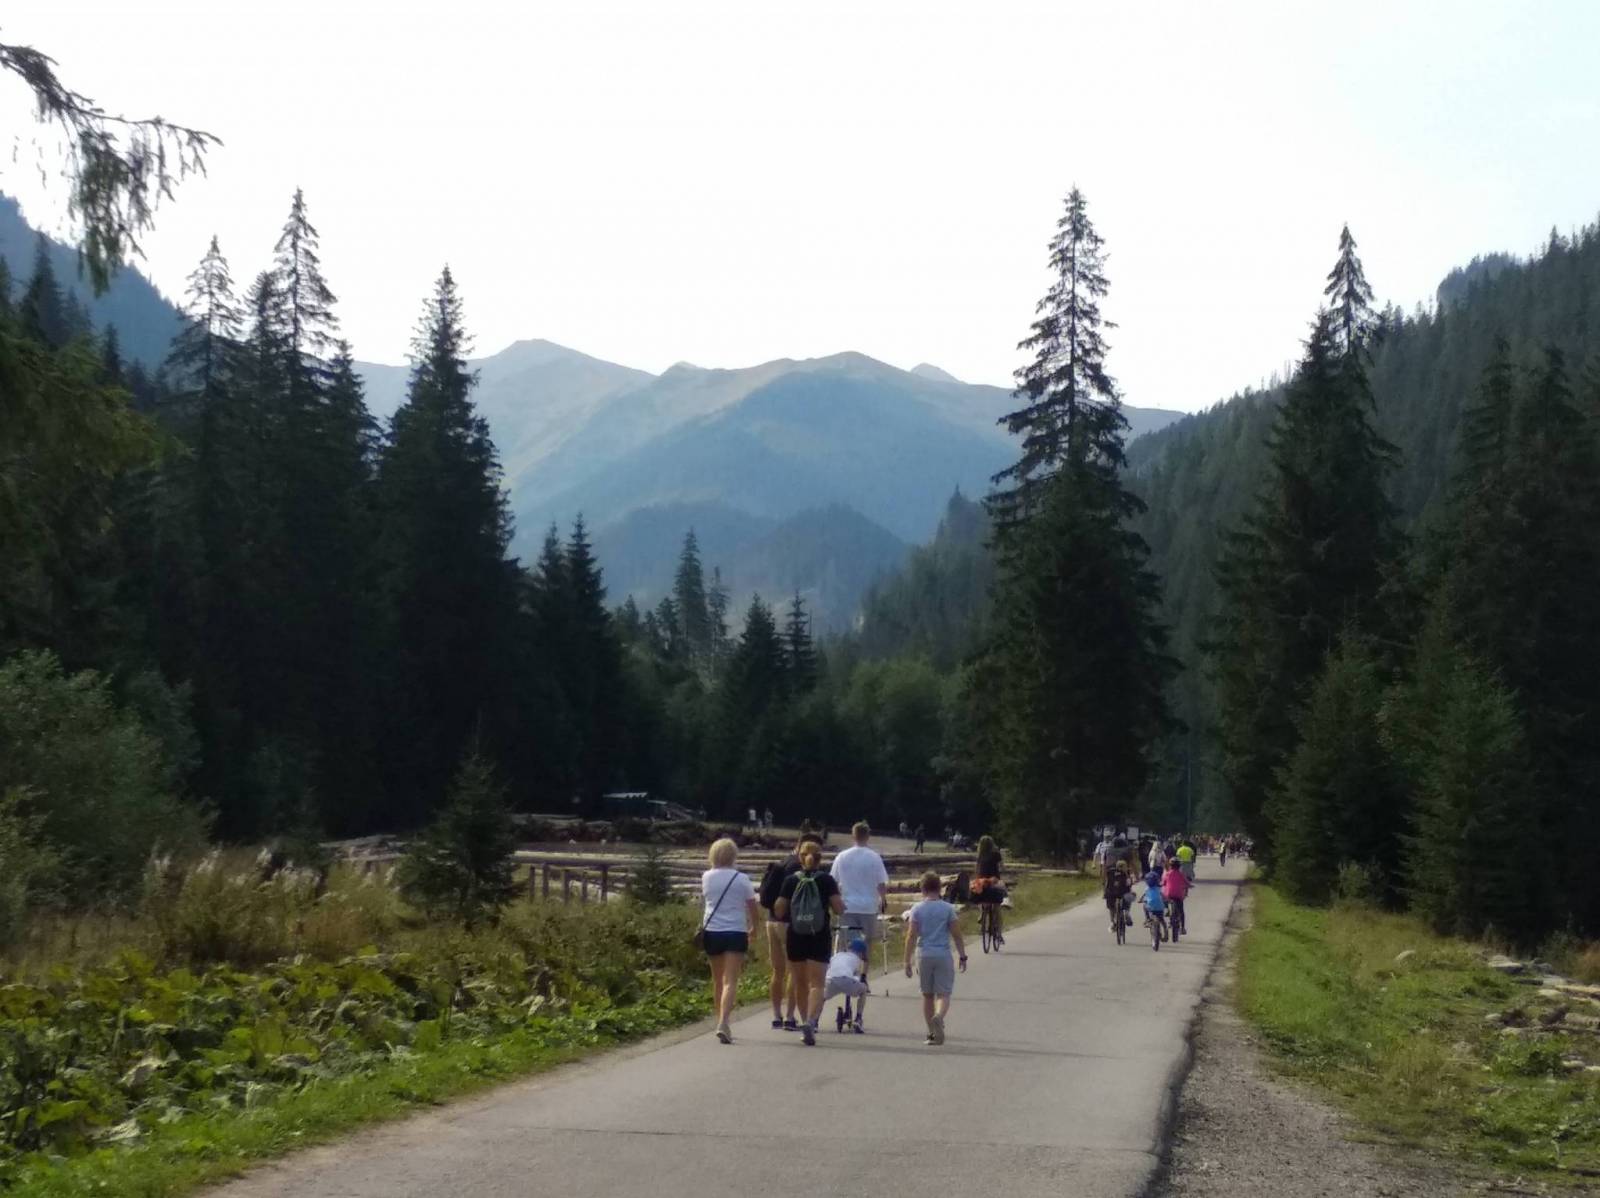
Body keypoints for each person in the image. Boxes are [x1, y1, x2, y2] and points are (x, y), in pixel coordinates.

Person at [774, 841, 844, 1046]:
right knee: (817, 983)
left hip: (796, 935)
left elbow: (779, 909)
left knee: (800, 982)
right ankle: (812, 1022)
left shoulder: (790, 880)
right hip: (819, 935)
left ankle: (804, 1020)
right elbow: (838, 908)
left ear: (800, 858)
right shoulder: (827, 880)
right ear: (820, 859)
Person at [700, 838, 760, 1044]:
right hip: (735, 930)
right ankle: (724, 1022)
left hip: (712, 931)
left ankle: (720, 1019)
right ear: (733, 855)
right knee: (730, 980)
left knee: (717, 980)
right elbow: (752, 906)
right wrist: (754, 927)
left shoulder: (706, 877)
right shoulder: (741, 878)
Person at [829, 822, 888, 1024]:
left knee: (847, 945)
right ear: (867, 836)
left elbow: (833, 881)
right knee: (866, 943)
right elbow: (881, 883)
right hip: (868, 907)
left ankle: (847, 974)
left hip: (848, 906)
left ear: (853, 836)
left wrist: (835, 901)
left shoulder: (842, 857)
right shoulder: (874, 857)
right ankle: (863, 976)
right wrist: (883, 899)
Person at [903, 870, 967, 1045]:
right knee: (943, 993)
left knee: (927, 995)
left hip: (923, 954)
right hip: (943, 954)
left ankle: (932, 1032)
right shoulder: (948, 909)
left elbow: (911, 935)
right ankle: (939, 1016)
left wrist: (907, 960)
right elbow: (957, 934)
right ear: (940, 888)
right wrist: (962, 956)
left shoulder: (917, 909)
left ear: (922, 889)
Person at [757, 835, 809, 1030]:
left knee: (777, 971)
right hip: (789, 923)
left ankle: (776, 1015)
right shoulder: (797, 868)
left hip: (771, 921)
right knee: (794, 971)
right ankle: (790, 1016)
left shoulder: (781, 862)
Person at [826, 937, 872, 1034]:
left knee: (820, 998)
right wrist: (862, 981)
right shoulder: (857, 959)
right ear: (861, 953)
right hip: (846, 980)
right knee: (863, 990)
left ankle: (815, 1021)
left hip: (831, 980)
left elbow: (828, 967)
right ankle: (858, 1018)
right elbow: (856, 977)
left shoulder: (837, 955)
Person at [972, 834, 1007, 946]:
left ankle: (982, 913)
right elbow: (1002, 867)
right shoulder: (996, 854)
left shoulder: (979, 855)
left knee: (979, 896)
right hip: (993, 881)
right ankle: (999, 934)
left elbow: (976, 869)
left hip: (982, 881)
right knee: (997, 907)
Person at [1103, 859, 1134, 932]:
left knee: (1111, 908)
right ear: (1124, 867)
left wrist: (1105, 893)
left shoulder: (1110, 873)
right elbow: (1129, 884)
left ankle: (1112, 922)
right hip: (1123, 893)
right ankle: (1127, 913)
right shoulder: (1125, 874)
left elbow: (1107, 884)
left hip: (1112, 894)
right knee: (1130, 896)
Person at [1162, 856, 1191, 935]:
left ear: (1170, 865)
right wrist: (1190, 885)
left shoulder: (1167, 874)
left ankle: (1168, 912)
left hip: (1169, 894)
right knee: (1181, 911)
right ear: (1179, 866)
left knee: (1166, 901)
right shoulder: (1181, 874)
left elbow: (1163, 883)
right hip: (1178, 895)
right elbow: (1186, 882)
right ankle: (1182, 928)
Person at [1140, 868, 1167, 937]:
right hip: (1160, 907)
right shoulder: (1159, 888)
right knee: (1162, 919)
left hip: (1150, 907)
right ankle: (1165, 931)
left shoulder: (1147, 889)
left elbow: (1143, 896)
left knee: (1144, 905)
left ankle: (1148, 919)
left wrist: (1140, 900)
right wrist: (1166, 899)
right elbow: (1163, 896)